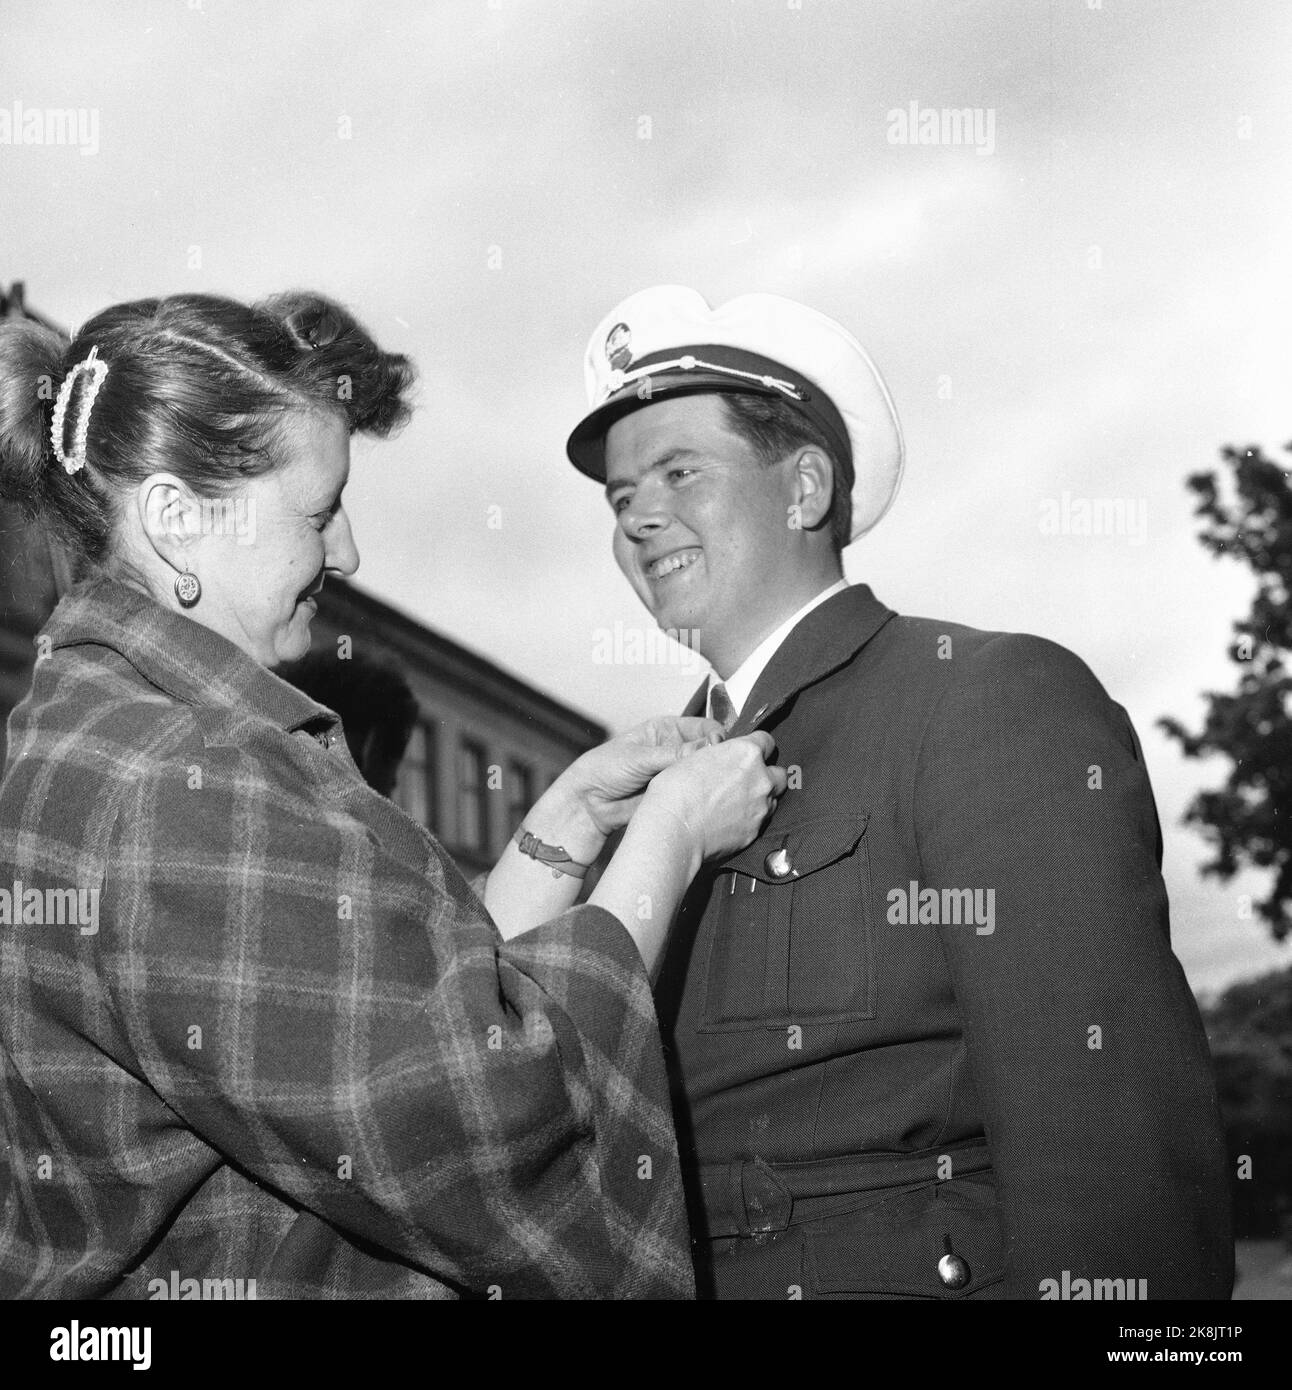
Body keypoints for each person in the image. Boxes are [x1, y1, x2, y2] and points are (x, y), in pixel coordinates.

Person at [0, 290, 785, 1299]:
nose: (348, 554)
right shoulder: (171, 780)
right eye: (319, 512)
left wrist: (564, 824)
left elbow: (369, 1022)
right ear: (175, 517)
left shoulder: (109, 729)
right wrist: (670, 837)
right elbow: (473, 1114)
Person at [563, 283, 1234, 1300]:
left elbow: (1113, 1162)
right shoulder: (645, 792)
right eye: (619, 497)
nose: (639, 517)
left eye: (677, 471)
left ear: (803, 489)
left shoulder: (980, 699)